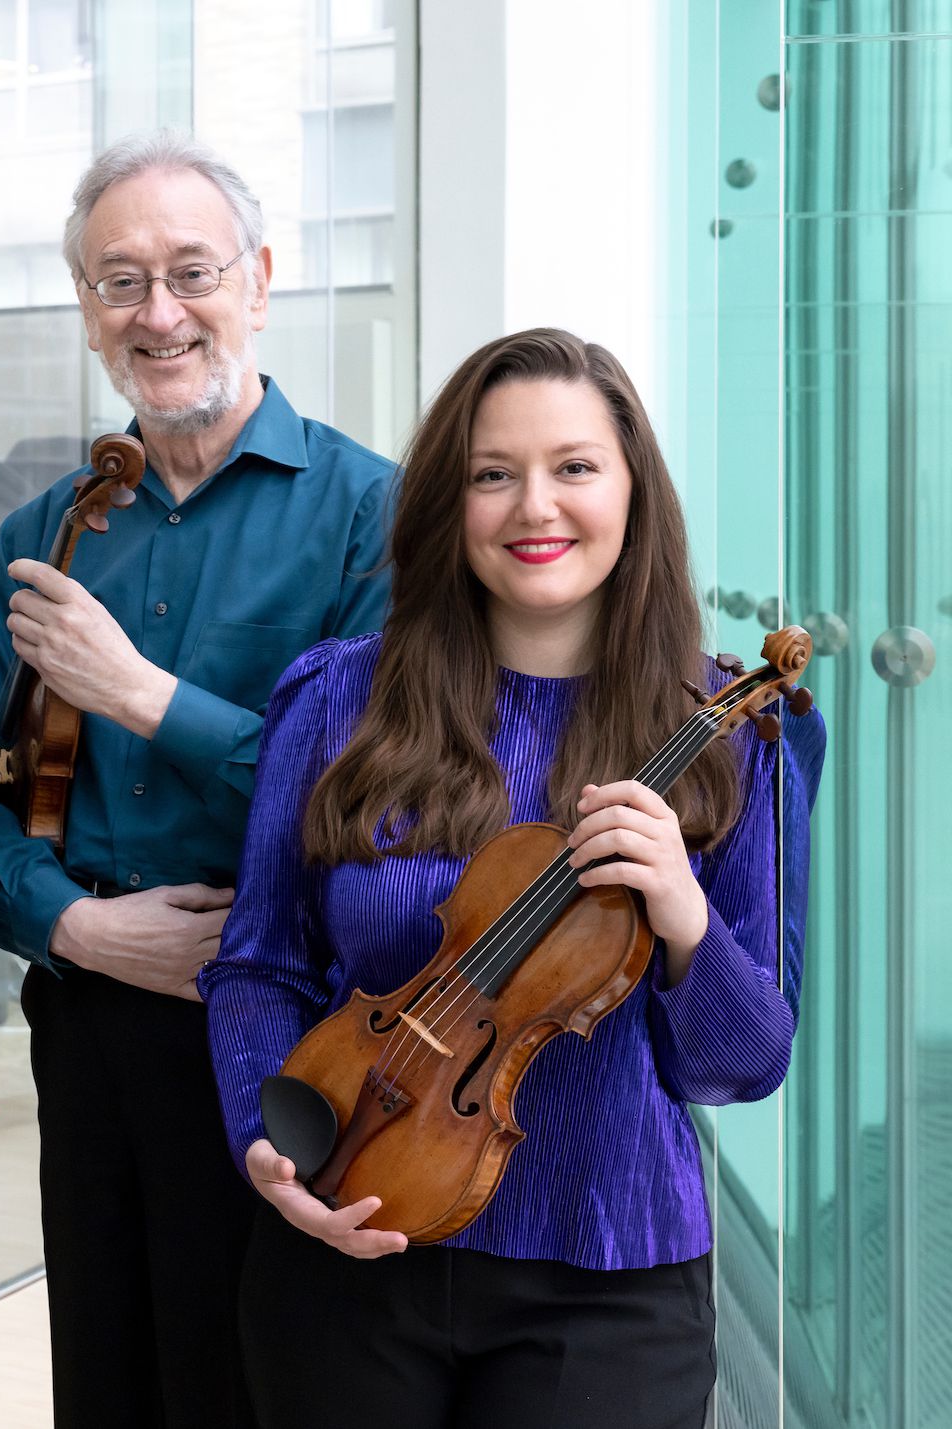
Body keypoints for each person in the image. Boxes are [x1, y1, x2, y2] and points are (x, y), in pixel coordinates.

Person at [202, 328, 826, 1428]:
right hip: (349, 1232)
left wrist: (679, 913)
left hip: (606, 1273)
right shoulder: (338, 700)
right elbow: (260, 963)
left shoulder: (735, 736)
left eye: (573, 467)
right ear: (452, 501)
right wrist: (269, 1147)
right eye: (493, 474)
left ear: (633, 490)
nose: (533, 506)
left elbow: (743, 1062)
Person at [0, 130, 395, 1429]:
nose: (159, 311)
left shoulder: (370, 513)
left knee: (270, 1385)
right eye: (119, 280)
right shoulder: (47, 526)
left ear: (258, 279)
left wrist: (143, 695)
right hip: (92, 1030)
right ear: (85, 309)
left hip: (299, 1032)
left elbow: (376, 802)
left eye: (191, 272)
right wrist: (73, 925)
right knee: (112, 1383)